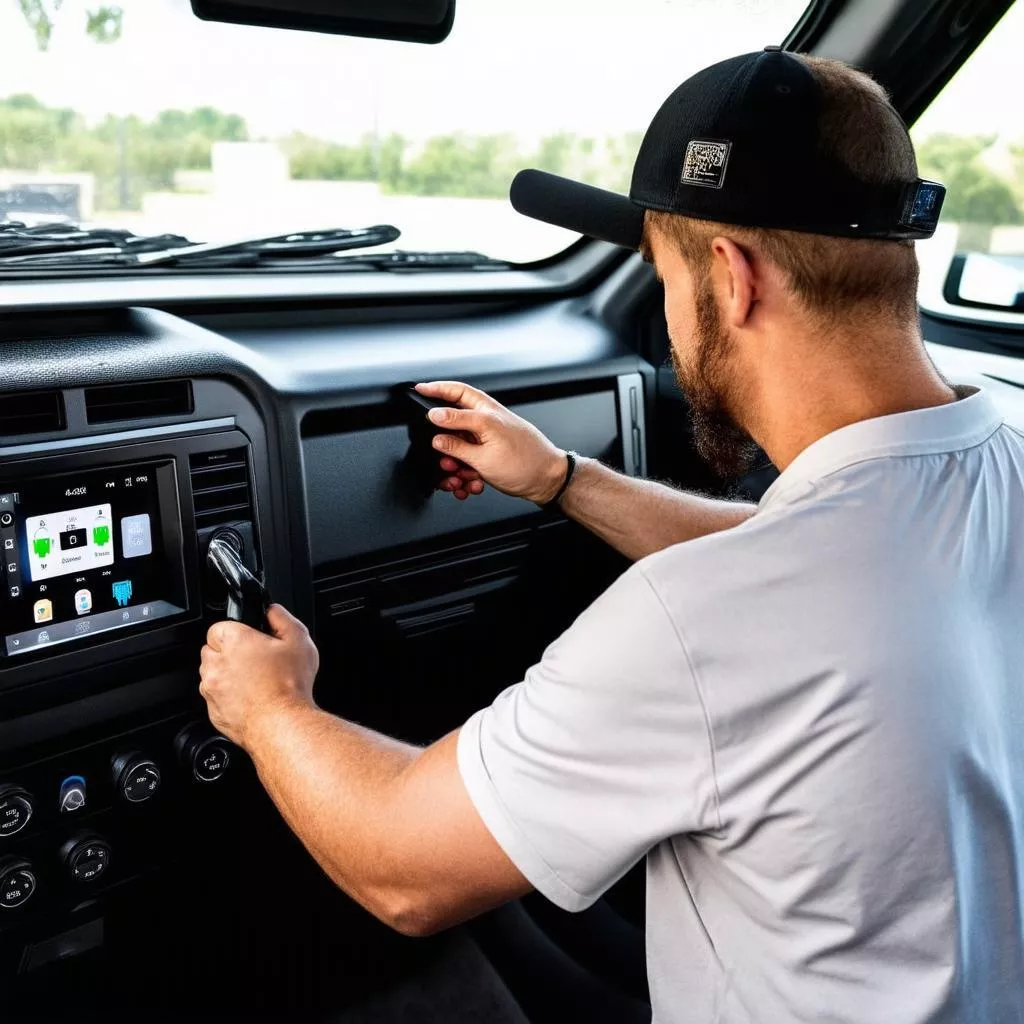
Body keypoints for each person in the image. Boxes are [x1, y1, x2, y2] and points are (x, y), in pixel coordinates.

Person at [198, 48, 1024, 1023]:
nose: (670, 319)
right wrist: (560, 478)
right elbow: (789, 548)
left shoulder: (704, 622)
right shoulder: (994, 455)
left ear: (730, 277)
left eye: (663, 276)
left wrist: (270, 708)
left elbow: (402, 872)